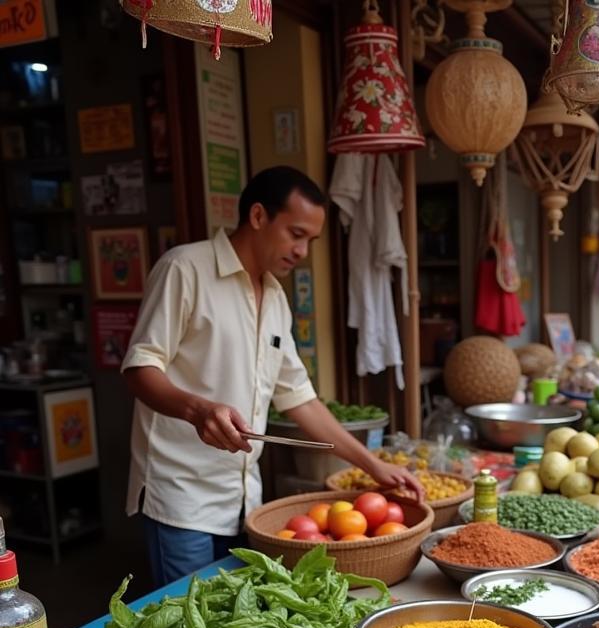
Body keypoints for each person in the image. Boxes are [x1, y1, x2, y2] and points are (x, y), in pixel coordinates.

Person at [122, 165, 423, 587]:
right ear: (259, 216)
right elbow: (139, 369)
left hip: (246, 503)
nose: (302, 251)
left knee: (231, 623)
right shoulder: (184, 269)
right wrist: (199, 410)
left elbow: (299, 397)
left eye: (310, 241)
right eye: (296, 234)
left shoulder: (277, 298)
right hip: (182, 497)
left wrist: (374, 465)